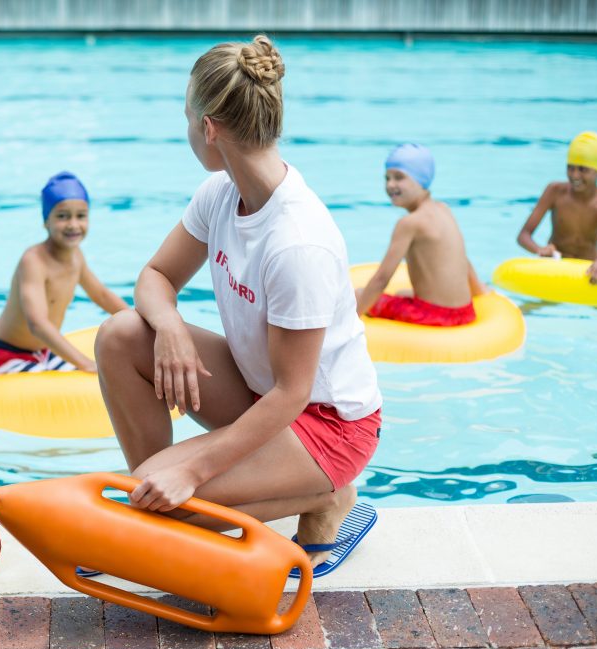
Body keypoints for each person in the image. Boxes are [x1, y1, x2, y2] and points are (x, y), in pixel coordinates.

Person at [95, 35, 382, 573]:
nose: (186, 131)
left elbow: (294, 393)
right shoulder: (222, 194)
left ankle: (326, 495)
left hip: (325, 424)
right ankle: (164, 500)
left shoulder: (297, 242)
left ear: (209, 127)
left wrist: (196, 469)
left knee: (143, 512)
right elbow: (155, 276)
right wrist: (171, 325)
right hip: (260, 393)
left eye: (186, 117)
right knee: (121, 334)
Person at [0, 171, 128, 378]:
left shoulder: (76, 257)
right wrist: (85, 363)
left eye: (81, 216)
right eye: (62, 216)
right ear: (46, 221)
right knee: (81, 380)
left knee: (106, 380)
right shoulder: (34, 261)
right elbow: (37, 324)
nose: (73, 224)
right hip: (5, 356)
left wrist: (135, 321)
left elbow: (100, 295)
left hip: (43, 354)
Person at [354, 144, 487, 327]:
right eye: (387, 178)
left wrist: (353, 320)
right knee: (402, 293)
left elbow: (381, 279)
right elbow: (463, 260)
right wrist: (479, 290)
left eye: (399, 177)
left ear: (421, 180)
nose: (390, 184)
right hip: (465, 313)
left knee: (357, 294)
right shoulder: (444, 209)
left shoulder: (409, 223)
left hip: (432, 315)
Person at [516, 131, 597, 284]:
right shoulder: (555, 191)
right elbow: (523, 235)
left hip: (588, 271)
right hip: (556, 268)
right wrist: (540, 250)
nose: (575, 175)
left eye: (583, 169)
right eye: (570, 168)